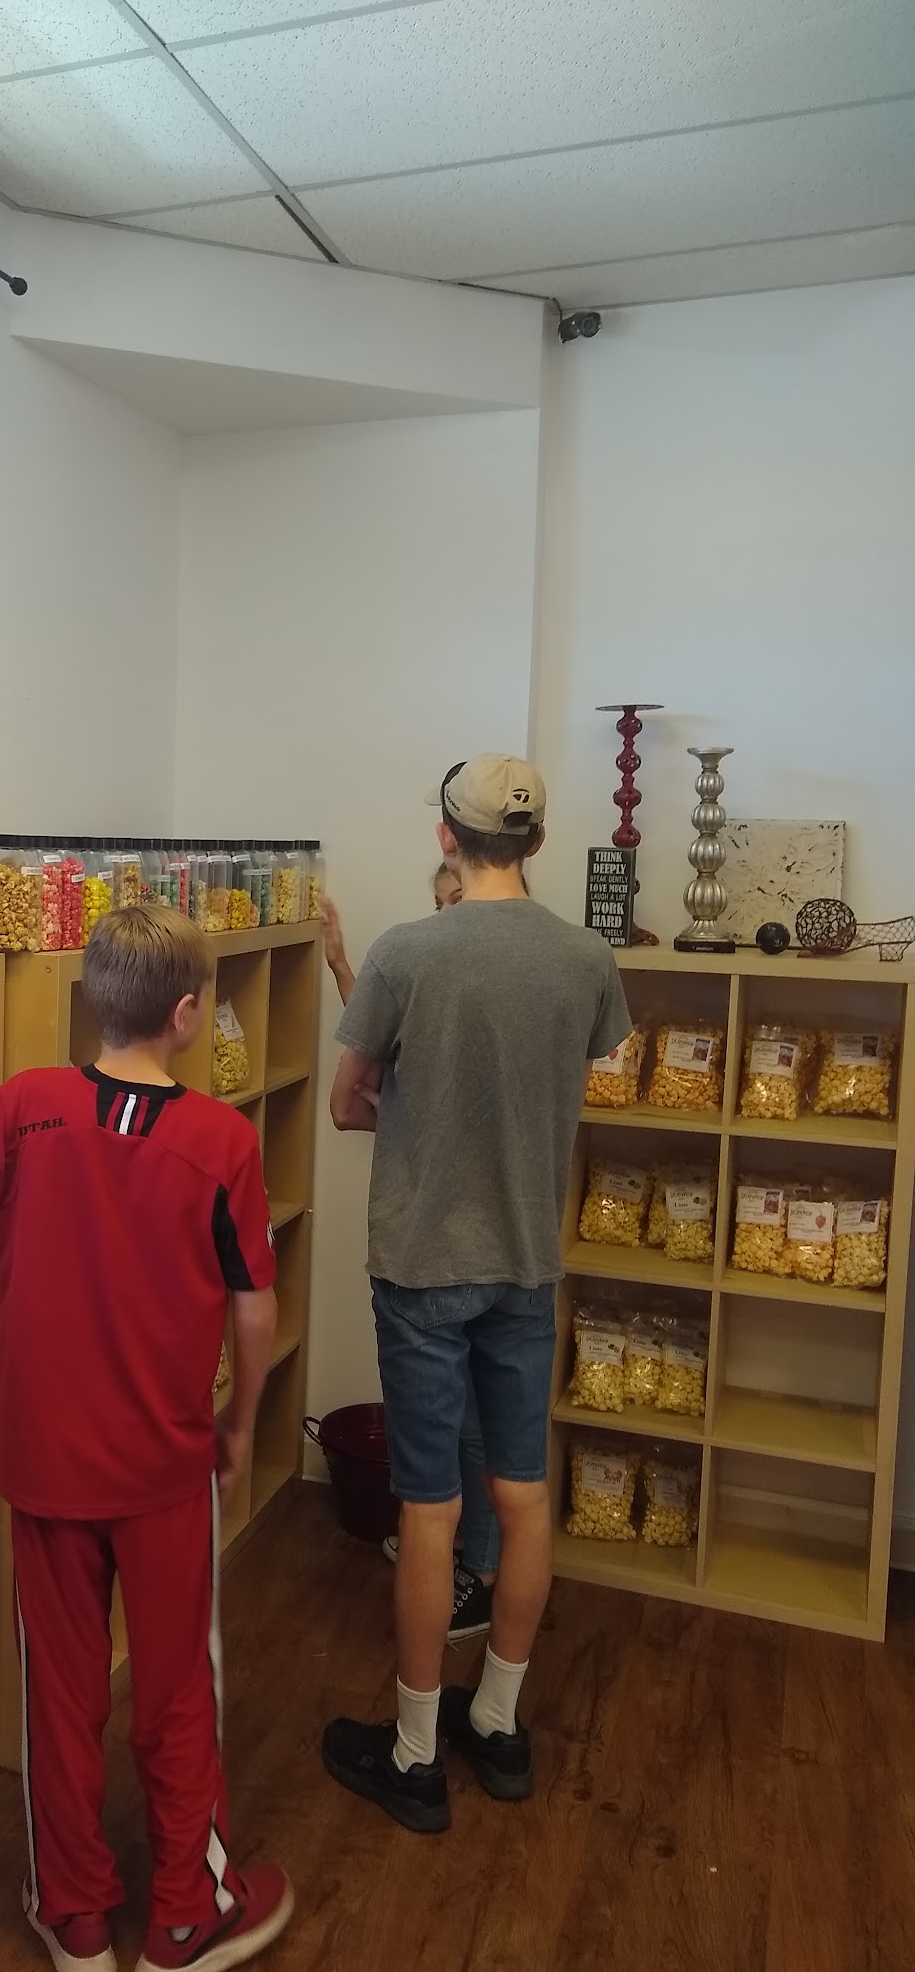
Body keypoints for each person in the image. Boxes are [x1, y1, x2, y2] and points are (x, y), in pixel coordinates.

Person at [0, 906, 293, 1972]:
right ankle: (187, 1913)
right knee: (175, 1690)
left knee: (59, 1696)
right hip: (163, 1470)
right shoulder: (224, 1141)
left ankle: (73, 1916)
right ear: (188, 1014)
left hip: (44, 1467)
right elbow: (255, 1308)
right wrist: (241, 1420)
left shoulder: (28, 1106)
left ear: (91, 1000)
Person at [320, 756, 630, 1833]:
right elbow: (578, 1079)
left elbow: (347, 1104)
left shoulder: (407, 952)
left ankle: (414, 1753)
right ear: (536, 842)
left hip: (421, 1266)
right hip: (527, 1264)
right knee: (523, 1495)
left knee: (430, 1507)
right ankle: (495, 1722)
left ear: (448, 838)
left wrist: (411, 1114)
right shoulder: (586, 958)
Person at [321, 864, 501, 1646]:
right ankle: (456, 1556)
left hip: (467, 1246)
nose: (445, 915)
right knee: (454, 1420)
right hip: (454, 1237)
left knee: (472, 1425)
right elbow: (380, 1041)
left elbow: (357, 1095)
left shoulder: (492, 988)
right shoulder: (432, 975)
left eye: (456, 900)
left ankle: (479, 1574)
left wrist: (396, 1122)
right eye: (438, 903)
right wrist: (339, 963)